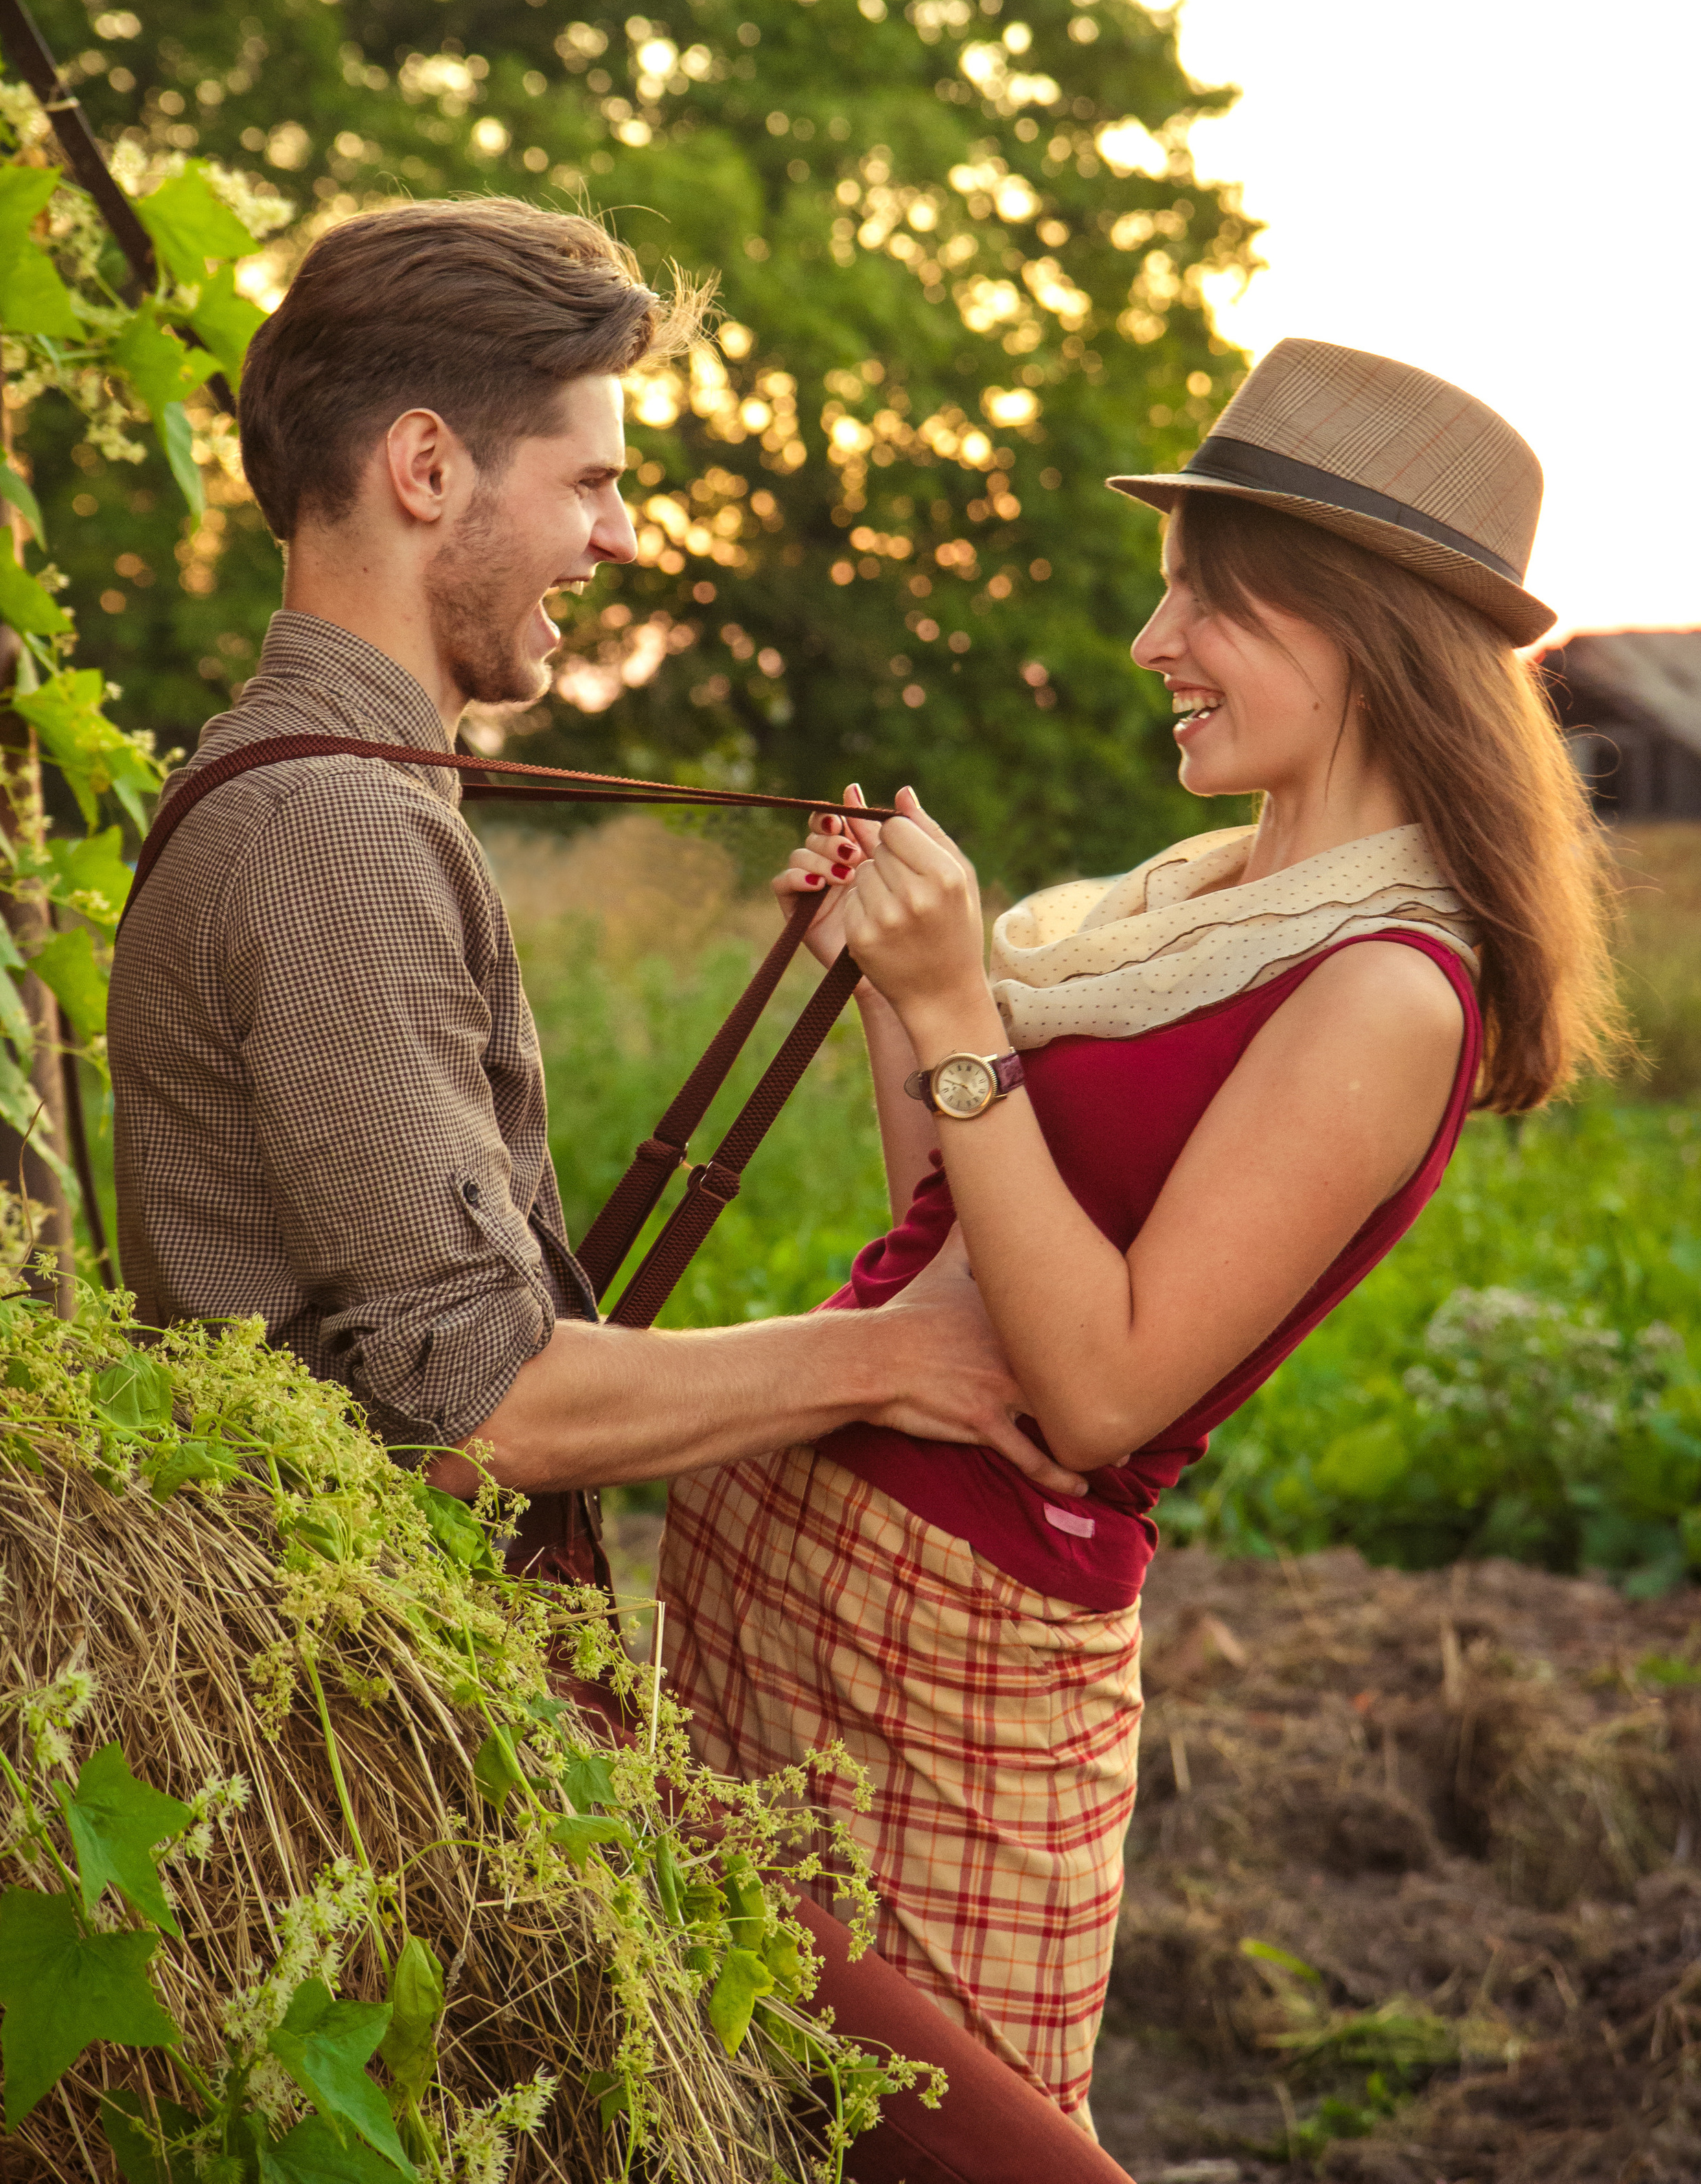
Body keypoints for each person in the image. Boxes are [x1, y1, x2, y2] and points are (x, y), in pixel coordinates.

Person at [108, 194, 1135, 2184]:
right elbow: (484, 1409)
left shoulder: (347, 791)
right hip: (420, 1748)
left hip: (444, 1711)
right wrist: (891, 1359)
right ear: (427, 469)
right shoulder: (330, 829)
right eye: (593, 480)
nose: (624, 536)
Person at [657, 337, 1623, 2135]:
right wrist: (895, 1000)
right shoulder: (1185, 909)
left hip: (966, 1651)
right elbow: (962, 1253)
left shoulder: (1390, 991)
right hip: (802, 1573)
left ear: (1361, 636)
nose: (1150, 644)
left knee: (969, 2144)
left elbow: (1096, 1394)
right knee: (732, 2116)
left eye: (1211, 602)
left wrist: (962, 1005)